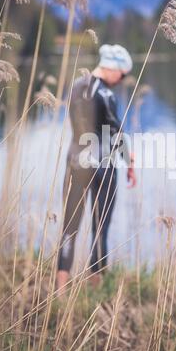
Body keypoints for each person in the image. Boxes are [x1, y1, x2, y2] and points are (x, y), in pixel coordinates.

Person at [56, 44, 137, 292]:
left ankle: (60, 289)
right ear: (112, 67)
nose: (121, 80)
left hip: (76, 161)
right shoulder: (107, 95)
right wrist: (131, 163)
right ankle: (95, 286)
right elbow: (115, 131)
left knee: (69, 227)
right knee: (100, 227)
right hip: (103, 165)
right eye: (122, 74)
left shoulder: (76, 87)